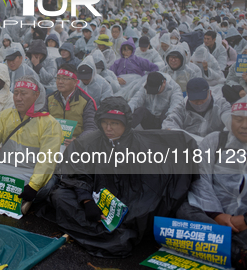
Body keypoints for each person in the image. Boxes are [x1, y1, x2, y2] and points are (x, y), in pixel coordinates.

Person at [39, 96, 196, 258]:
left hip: (128, 198)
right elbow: (79, 175)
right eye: (105, 122)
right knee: (60, 196)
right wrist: (86, 201)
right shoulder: (89, 142)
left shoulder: (139, 145)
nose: (109, 128)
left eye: (115, 123)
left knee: (141, 212)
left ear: (125, 124)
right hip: (95, 195)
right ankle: (108, 232)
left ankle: (106, 232)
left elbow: (147, 183)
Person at [176, 94, 247, 270]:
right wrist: (216, 214)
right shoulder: (215, 140)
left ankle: (212, 244)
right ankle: (240, 252)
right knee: (184, 208)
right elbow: (201, 179)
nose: (244, 125)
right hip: (214, 217)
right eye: (238, 119)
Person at [0, 76, 63, 213]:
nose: (18, 98)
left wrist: (34, 186)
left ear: (36, 96)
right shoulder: (5, 116)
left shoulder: (50, 124)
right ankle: (17, 197)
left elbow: (46, 160)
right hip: (6, 166)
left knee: (46, 184)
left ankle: (18, 194)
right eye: (16, 93)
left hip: (29, 172)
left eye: (23, 93)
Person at [163, 77, 231, 137]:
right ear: (187, 95)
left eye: (202, 99)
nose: (199, 103)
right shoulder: (182, 108)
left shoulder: (221, 105)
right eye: (194, 100)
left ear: (209, 93)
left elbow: (230, 120)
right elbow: (169, 123)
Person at [47, 65, 97, 140]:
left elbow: (91, 128)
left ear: (75, 82)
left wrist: (78, 141)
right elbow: (42, 122)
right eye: (58, 78)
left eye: (65, 79)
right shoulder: (49, 99)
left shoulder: (86, 101)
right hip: (52, 141)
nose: (60, 82)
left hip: (77, 144)